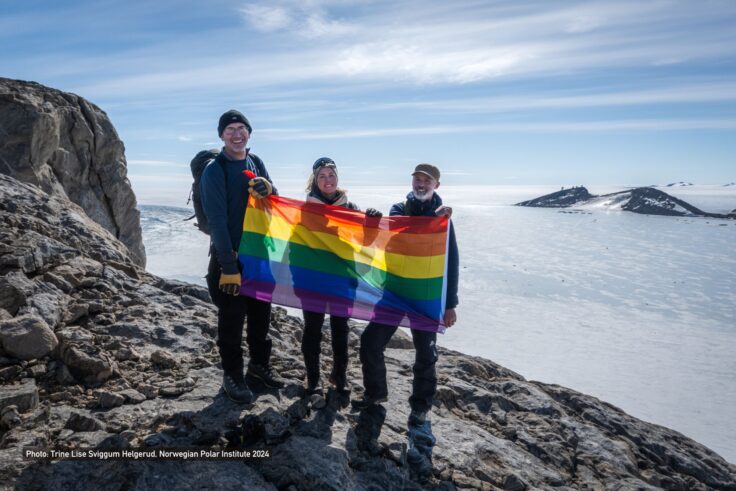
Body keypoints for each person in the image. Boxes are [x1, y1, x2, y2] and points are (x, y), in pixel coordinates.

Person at [352, 163, 459, 428]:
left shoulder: (443, 220)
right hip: (396, 291)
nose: (421, 184)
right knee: (370, 343)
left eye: (427, 181)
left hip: (426, 296)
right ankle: (376, 393)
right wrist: (373, 222)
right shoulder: (399, 210)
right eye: (417, 180)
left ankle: (420, 408)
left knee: (426, 354)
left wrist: (450, 304)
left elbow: (451, 261)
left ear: (436, 185)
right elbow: (388, 236)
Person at [201, 109, 284, 404]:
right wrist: (228, 266)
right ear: (222, 135)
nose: (237, 134)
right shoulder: (215, 170)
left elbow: (274, 204)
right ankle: (232, 376)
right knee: (232, 320)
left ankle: (259, 368)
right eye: (230, 129)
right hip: (231, 258)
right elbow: (217, 221)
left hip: (259, 257)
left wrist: (270, 189)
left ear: (249, 132)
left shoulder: (256, 161)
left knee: (262, 318)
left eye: (242, 129)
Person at [299, 157, 382, 396]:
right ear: (315, 179)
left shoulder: (351, 208)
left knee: (340, 330)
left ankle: (340, 376)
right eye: (322, 176)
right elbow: (295, 247)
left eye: (332, 175)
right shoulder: (306, 210)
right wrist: (298, 279)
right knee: (312, 329)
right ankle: (313, 379)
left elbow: (365, 242)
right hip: (312, 280)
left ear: (338, 178)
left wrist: (372, 223)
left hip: (343, 279)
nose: (328, 180)